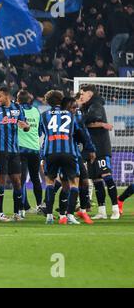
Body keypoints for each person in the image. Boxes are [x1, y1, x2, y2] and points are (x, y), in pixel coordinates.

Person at [40, 90, 96, 225]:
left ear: (48, 102)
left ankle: (48, 215)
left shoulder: (44, 115)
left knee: (50, 183)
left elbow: (41, 134)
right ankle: (70, 215)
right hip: (69, 152)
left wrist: (42, 154)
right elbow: (83, 132)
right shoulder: (72, 114)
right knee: (73, 183)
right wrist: (90, 148)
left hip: (50, 152)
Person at [0, 86, 30, 222]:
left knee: (17, 181)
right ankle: (0, 213)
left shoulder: (18, 109)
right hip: (0, 151)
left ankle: (17, 213)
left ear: (7, 96)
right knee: (0, 181)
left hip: (15, 151)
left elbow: (26, 126)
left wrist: (26, 126)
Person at [79, 84, 120, 220]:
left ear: (89, 94)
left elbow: (90, 119)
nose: (81, 96)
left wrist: (97, 123)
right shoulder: (87, 107)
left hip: (101, 148)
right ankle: (101, 211)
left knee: (107, 177)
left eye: (82, 94)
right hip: (92, 150)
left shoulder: (96, 105)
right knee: (96, 180)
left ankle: (115, 209)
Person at [61, 96, 96, 225]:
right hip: (63, 154)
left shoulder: (77, 118)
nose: (75, 109)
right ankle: (62, 213)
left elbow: (84, 133)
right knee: (64, 185)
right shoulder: (59, 118)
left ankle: (82, 210)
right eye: (73, 107)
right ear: (65, 108)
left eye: (76, 107)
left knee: (85, 181)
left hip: (76, 154)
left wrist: (91, 148)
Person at [16, 90, 43, 216]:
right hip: (34, 149)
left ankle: (21, 209)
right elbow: (39, 131)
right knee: (35, 179)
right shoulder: (36, 111)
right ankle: (39, 205)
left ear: (18, 100)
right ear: (29, 99)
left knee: (20, 180)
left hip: (20, 149)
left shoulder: (16, 111)